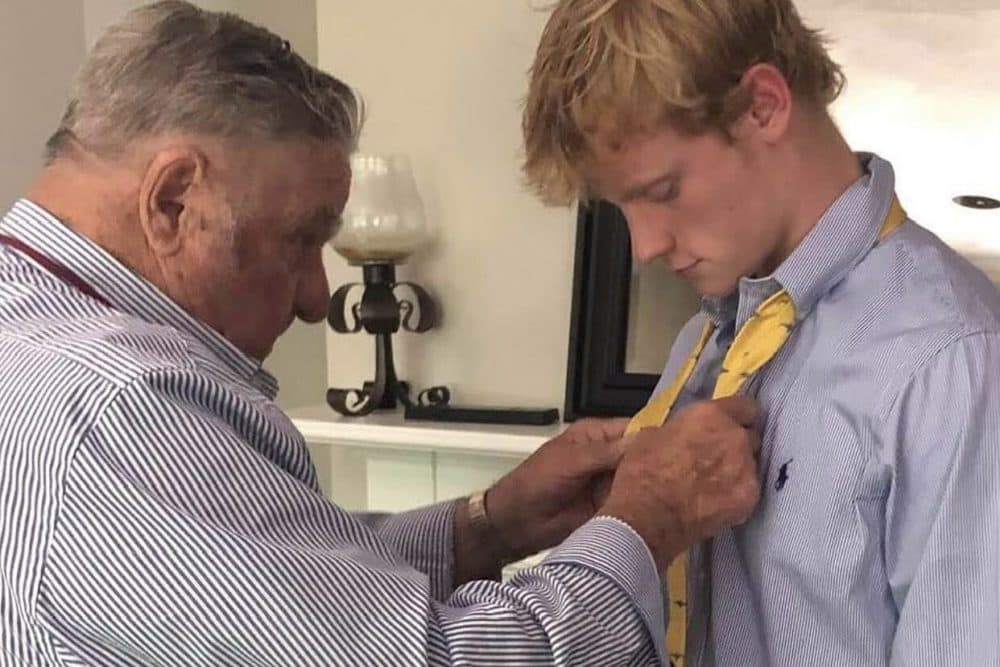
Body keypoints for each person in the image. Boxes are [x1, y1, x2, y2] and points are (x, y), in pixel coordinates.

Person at [0, 2, 764, 665]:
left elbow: (291, 581)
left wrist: (491, 524)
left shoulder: (34, 346)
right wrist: (645, 520)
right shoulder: (114, 413)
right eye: (300, 241)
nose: (314, 298)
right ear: (172, 201)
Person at [522, 0, 1000, 665]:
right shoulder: (703, 343)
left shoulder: (953, 364)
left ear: (763, 106)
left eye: (660, 191)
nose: (643, 247)